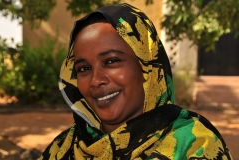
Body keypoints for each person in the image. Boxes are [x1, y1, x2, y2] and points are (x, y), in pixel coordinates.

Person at [38, 3, 232, 160]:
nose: (95, 80)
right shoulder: (64, 147)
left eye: (111, 61)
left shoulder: (193, 143)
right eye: (84, 69)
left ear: (147, 67)